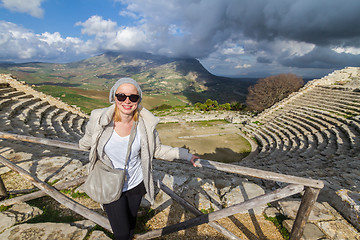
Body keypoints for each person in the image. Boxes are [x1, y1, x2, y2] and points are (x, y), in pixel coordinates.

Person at [79, 77, 199, 240]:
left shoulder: (145, 125)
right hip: (109, 183)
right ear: (113, 97)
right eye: (121, 96)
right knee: (121, 233)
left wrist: (187, 155)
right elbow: (87, 140)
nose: (127, 101)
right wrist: (83, 145)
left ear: (138, 99)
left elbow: (157, 150)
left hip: (136, 182)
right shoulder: (99, 118)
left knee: (130, 225)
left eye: (133, 97)